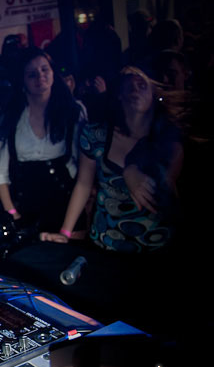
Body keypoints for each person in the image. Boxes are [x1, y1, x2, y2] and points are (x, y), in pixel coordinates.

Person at [42, 66, 184, 252]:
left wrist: (132, 170)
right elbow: (83, 184)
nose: (135, 91)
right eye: (129, 86)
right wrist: (65, 233)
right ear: (119, 94)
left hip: (155, 246)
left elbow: (169, 188)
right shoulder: (96, 135)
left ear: (154, 93)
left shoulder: (169, 141)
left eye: (142, 85)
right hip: (106, 244)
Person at [0, 48, 84, 233]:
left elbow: (82, 167)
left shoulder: (73, 111)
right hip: (27, 206)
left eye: (44, 69)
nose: (40, 76)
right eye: (32, 74)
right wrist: (12, 213)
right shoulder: (11, 116)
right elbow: (0, 173)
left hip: (66, 201)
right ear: (22, 80)